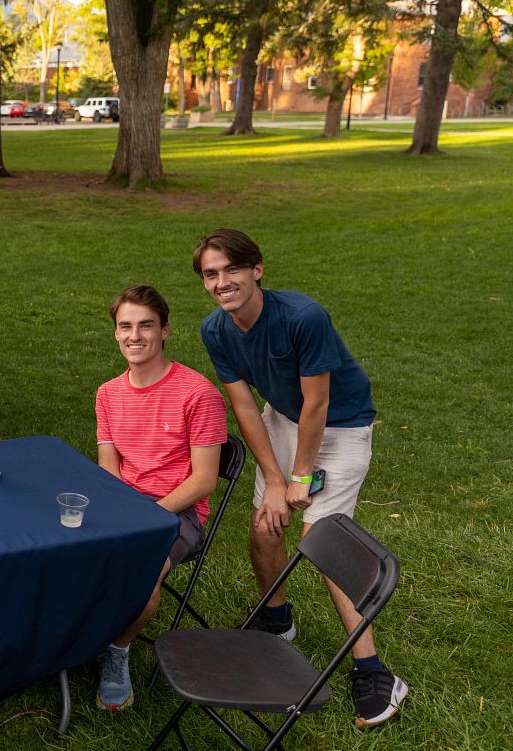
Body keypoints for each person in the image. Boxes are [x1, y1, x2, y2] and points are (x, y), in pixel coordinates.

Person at [193, 228, 407, 728]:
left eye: (231, 270)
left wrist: (300, 477)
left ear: (256, 269)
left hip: (340, 426)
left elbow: (319, 403)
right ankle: (277, 619)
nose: (223, 282)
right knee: (265, 525)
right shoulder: (215, 330)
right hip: (282, 420)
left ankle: (373, 671)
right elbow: (243, 404)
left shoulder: (302, 317)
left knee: (321, 540)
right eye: (211, 273)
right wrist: (273, 479)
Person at [91, 285, 226, 712]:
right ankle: (73, 639)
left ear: (165, 330)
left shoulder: (198, 393)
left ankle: (117, 650)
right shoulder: (108, 393)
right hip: (123, 504)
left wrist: (146, 517)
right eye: (125, 326)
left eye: (146, 325)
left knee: (141, 577)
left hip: (177, 512)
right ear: (115, 333)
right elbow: (108, 469)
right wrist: (119, 511)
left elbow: (204, 481)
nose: (135, 335)